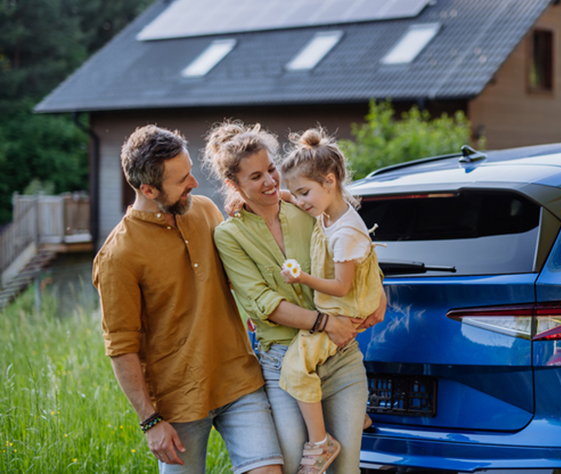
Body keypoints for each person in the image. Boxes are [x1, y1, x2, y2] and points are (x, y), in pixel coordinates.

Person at [93, 125, 282, 474]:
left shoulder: (206, 210)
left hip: (239, 380)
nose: (194, 183)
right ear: (149, 190)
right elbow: (121, 346)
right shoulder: (118, 256)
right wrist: (150, 421)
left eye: (190, 171)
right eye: (181, 181)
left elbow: (242, 274)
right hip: (178, 402)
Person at [203, 120, 386, 474]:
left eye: (271, 169)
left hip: (340, 358)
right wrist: (327, 322)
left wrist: (379, 289)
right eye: (256, 177)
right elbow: (264, 304)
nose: (270, 181)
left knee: (345, 469)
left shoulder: (305, 206)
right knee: (293, 465)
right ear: (233, 185)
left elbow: (352, 245)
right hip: (285, 363)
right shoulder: (230, 236)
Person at [276, 128, 383, 473]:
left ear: (330, 181)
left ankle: (321, 443)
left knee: (295, 369)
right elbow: (296, 196)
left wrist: (301, 278)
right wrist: (272, 196)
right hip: (339, 307)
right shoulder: (328, 211)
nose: (300, 201)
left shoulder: (345, 232)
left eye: (304, 192)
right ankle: (356, 413)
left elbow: (340, 286)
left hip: (342, 309)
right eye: (296, 194)